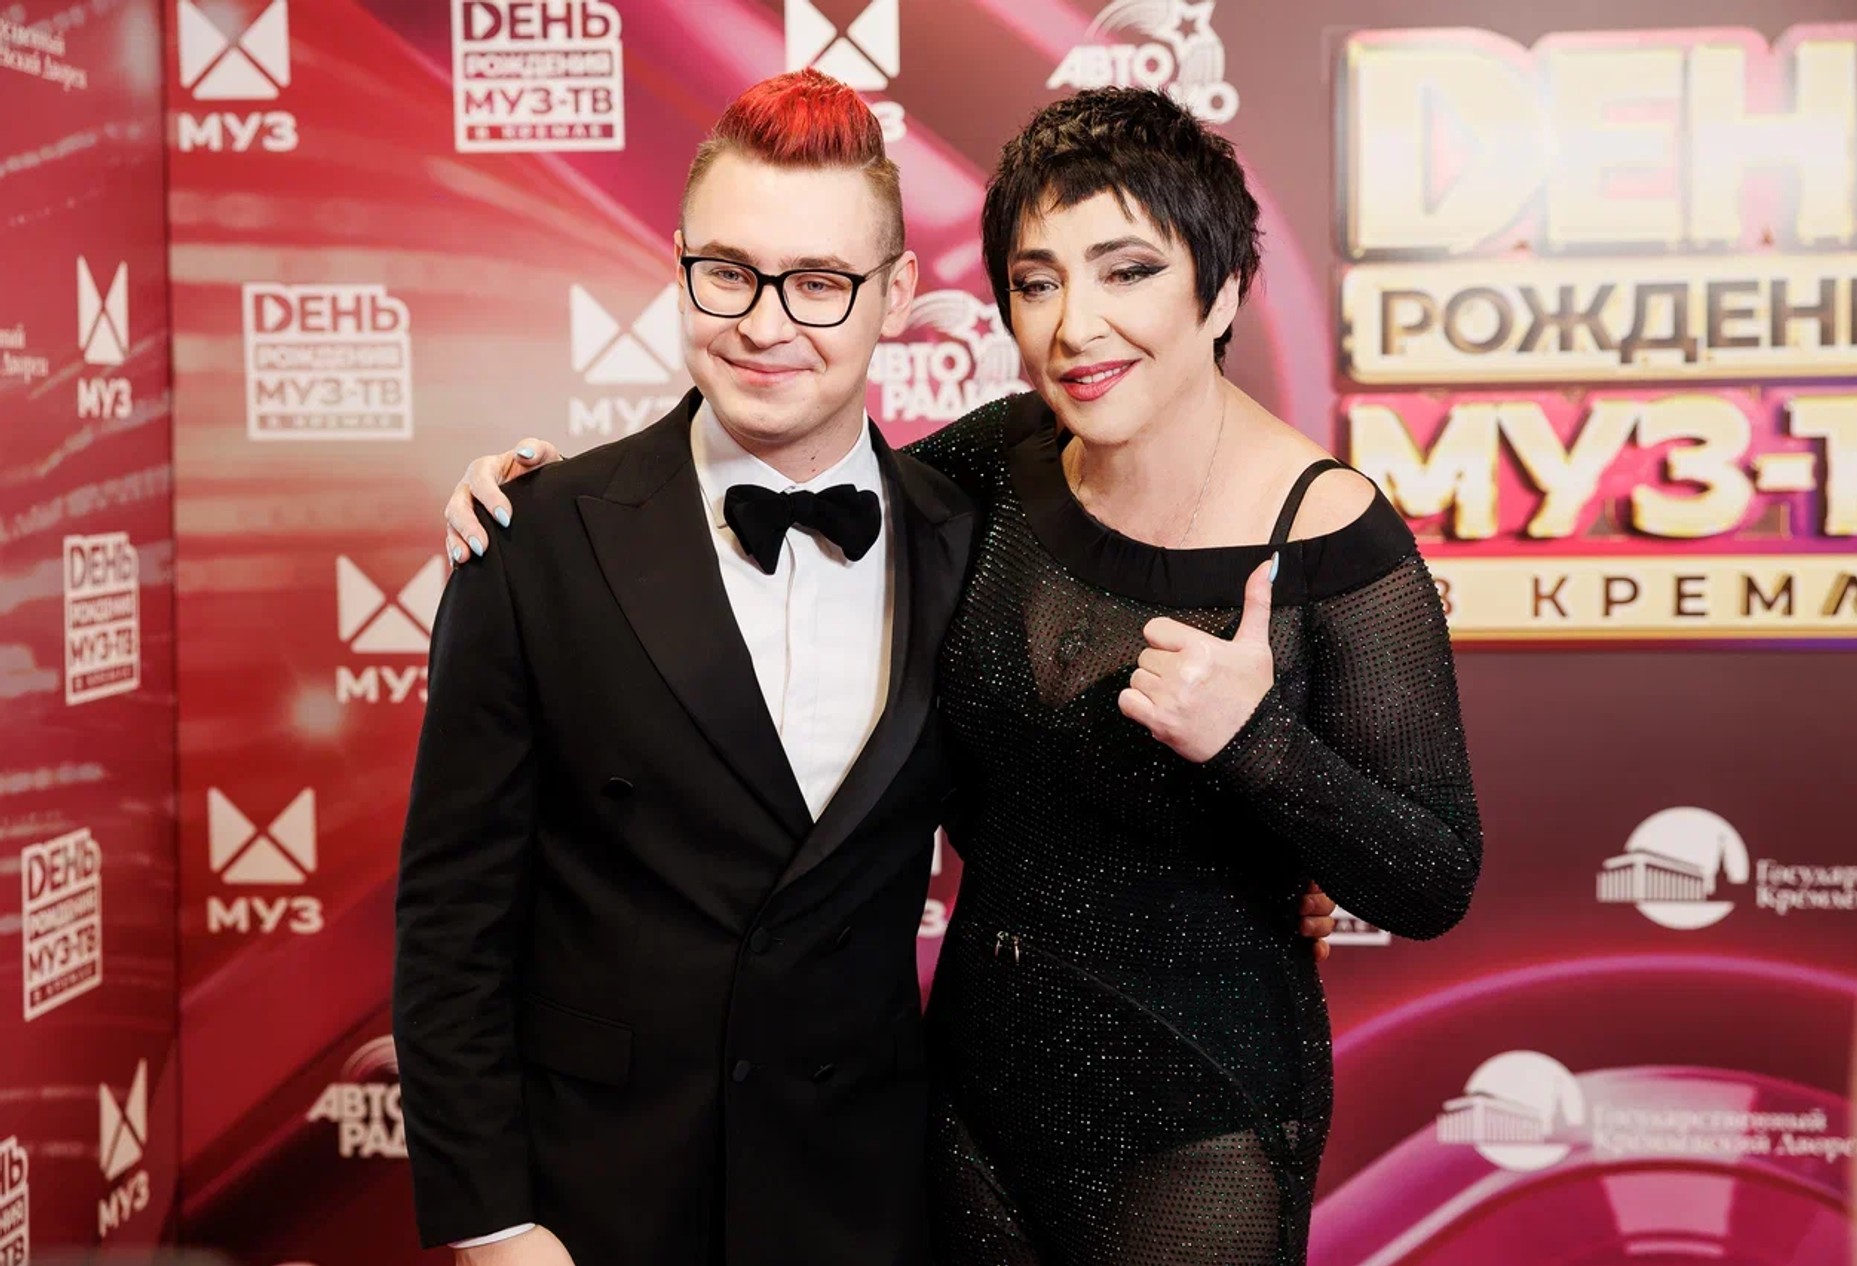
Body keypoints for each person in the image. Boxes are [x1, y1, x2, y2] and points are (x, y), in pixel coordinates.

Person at [401, 72, 1343, 1266]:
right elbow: (452, 922)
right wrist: (492, 1225)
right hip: (596, 1201)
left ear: (895, 296)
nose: (764, 325)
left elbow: (1058, 808)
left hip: (872, 1198)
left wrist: (1264, 875)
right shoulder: (536, 538)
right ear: (680, 267)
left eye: (819, 283)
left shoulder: (973, 538)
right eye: (728, 272)